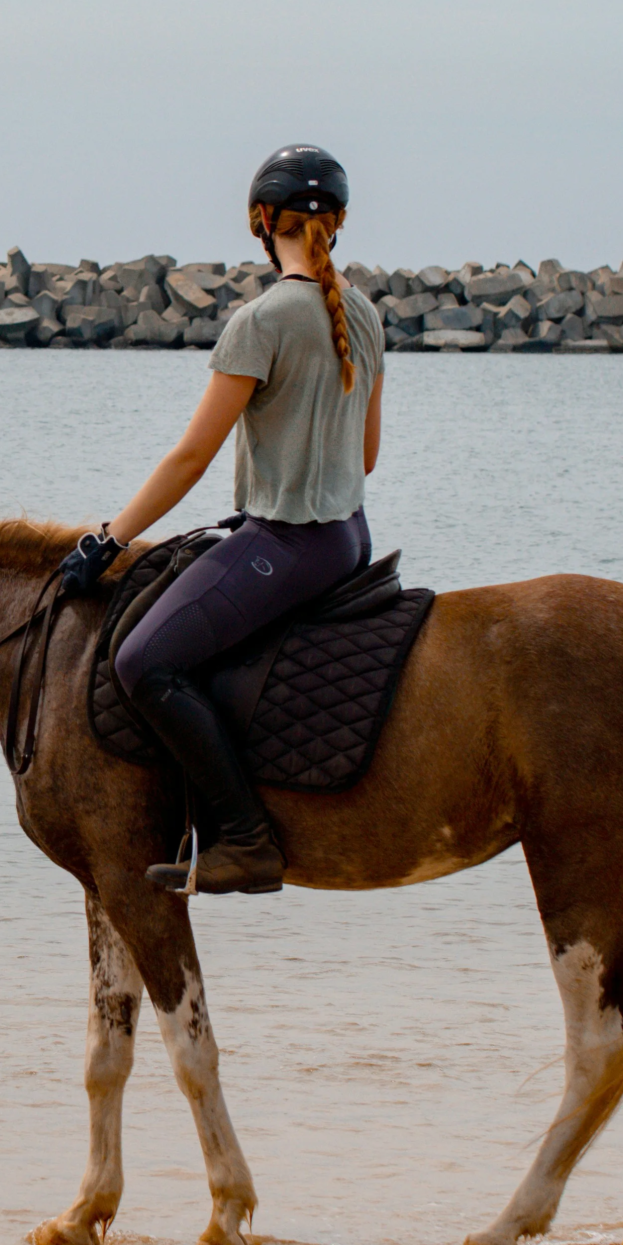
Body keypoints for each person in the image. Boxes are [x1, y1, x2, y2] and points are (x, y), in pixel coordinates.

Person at [56, 145, 385, 896]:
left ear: (261, 222)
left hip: (287, 544)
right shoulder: (363, 316)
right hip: (348, 540)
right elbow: (366, 456)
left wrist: (106, 541)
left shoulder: (261, 321)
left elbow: (190, 458)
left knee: (143, 661)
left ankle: (244, 838)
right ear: (336, 224)